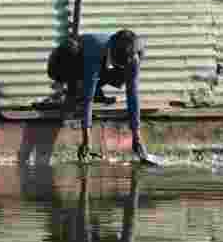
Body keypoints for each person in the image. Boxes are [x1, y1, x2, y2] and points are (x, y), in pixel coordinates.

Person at [47, 29, 148, 162]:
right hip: (71, 59)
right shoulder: (95, 51)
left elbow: (132, 94)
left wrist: (137, 137)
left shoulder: (133, 57)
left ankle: (90, 91)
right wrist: (86, 140)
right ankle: (73, 91)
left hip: (103, 63)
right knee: (79, 74)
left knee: (121, 75)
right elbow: (87, 99)